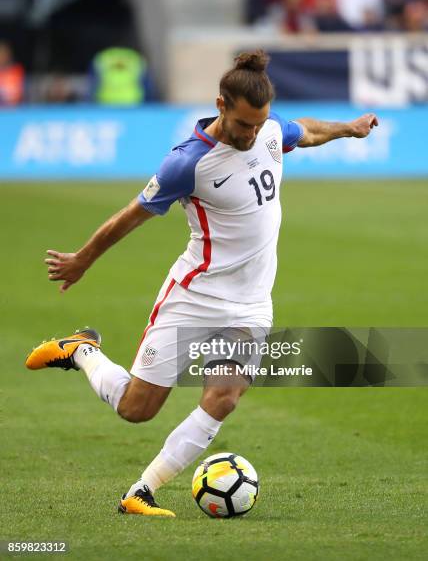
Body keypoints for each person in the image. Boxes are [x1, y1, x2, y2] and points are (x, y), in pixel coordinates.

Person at [25, 50, 378, 517]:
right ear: (221, 105)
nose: (252, 135)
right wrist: (82, 260)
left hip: (252, 303)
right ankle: (80, 350)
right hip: (195, 295)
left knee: (223, 397)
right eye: (244, 125)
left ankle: (141, 493)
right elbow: (131, 217)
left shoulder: (268, 132)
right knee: (137, 409)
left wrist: (347, 129)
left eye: (260, 125)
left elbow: (305, 131)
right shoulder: (187, 164)